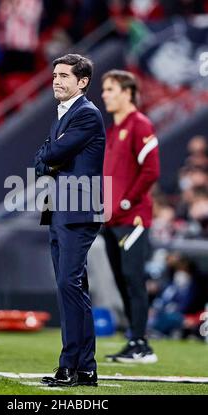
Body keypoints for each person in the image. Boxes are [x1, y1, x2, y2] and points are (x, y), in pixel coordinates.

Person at [34, 54, 105, 387]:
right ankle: (85, 368)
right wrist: (51, 156)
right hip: (61, 207)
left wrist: (51, 155)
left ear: (83, 82)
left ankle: (69, 366)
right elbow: (42, 161)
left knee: (68, 285)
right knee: (73, 288)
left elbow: (49, 156)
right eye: (54, 75)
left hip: (77, 208)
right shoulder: (64, 114)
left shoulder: (86, 115)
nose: (56, 81)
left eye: (64, 75)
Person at [101, 69, 160, 363]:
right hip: (111, 219)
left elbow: (151, 170)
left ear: (127, 92)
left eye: (110, 89)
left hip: (132, 218)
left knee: (133, 279)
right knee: (122, 280)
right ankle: (133, 339)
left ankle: (141, 343)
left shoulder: (140, 124)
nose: (105, 95)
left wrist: (125, 203)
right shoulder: (112, 130)